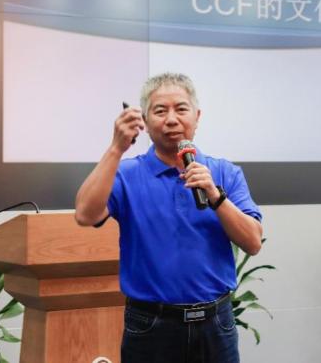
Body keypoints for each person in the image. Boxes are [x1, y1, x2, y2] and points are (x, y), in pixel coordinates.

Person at [75, 72, 263, 363]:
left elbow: (253, 242)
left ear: (197, 117)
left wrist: (215, 196)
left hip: (215, 324)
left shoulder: (224, 172)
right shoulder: (127, 174)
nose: (171, 119)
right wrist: (116, 148)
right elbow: (85, 214)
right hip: (151, 325)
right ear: (145, 121)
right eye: (160, 111)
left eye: (181, 109)